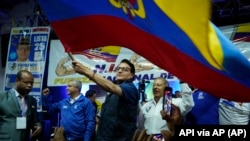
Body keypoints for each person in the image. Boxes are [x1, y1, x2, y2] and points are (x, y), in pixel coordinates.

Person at [72, 59, 139, 141]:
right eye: (118, 68)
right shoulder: (115, 88)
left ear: (131, 75)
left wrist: (86, 71)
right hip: (104, 136)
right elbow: (108, 86)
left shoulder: (130, 88)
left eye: (125, 69)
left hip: (119, 138)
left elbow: (111, 87)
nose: (120, 71)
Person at [0, 70, 42, 141]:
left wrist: (38, 125)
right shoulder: (2, 97)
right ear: (17, 81)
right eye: (26, 82)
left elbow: (35, 120)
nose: (29, 85)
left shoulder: (32, 101)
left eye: (31, 83)